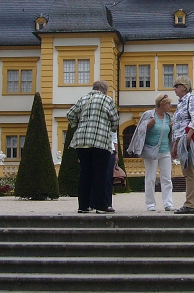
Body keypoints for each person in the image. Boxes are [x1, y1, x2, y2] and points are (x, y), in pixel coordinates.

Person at [66, 80, 120, 214]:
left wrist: (80, 124)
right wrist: (108, 127)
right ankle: (100, 205)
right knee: (100, 173)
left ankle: (83, 206)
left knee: (85, 173)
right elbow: (115, 121)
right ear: (105, 90)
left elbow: (70, 115)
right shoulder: (107, 100)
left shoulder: (83, 99)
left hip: (82, 141)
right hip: (100, 141)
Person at [127, 93, 175, 212]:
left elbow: (170, 135)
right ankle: (150, 204)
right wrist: (149, 124)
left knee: (167, 178)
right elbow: (140, 131)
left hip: (165, 151)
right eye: (168, 104)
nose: (170, 106)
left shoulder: (169, 117)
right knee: (150, 178)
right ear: (161, 104)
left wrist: (172, 128)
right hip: (151, 151)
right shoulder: (149, 115)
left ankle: (168, 203)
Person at [171, 76, 194, 214]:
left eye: (177, 86)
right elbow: (177, 126)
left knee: (189, 172)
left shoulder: (192, 100)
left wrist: (188, 138)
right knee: (187, 172)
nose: (175, 88)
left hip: (186, 140)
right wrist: (175, 144)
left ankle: (190, 204)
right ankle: (190, 203)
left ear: (184, 87)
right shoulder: (181, 103)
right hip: (182, 140)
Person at [103, 131, 118, 213]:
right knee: (97, 177)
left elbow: (115, 139)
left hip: (110, 150)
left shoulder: (112, 121)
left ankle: (108, 204)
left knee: (108, 178)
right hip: (98, 148)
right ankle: (94, 203)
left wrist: (116, 154)